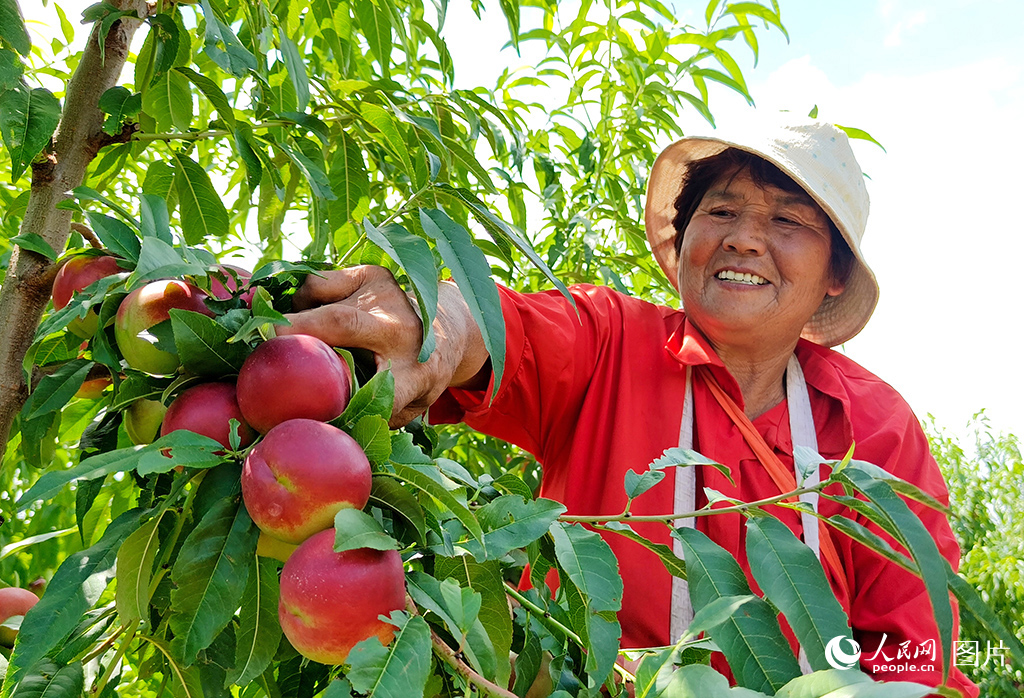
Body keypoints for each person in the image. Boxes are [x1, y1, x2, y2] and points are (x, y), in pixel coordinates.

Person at [278, 118, 978, 696]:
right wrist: (435, 324)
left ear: (834, 276)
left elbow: (917, 655)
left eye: (788, 219)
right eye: (721, 210)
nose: (743, 237)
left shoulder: (872, 425)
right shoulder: (611, 341)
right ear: (686, 237)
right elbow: (505, 330)